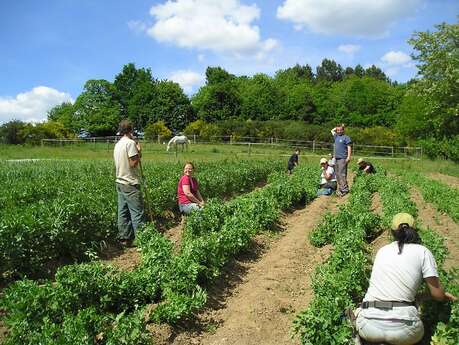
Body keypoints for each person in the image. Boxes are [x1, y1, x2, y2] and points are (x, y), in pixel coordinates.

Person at [355, 213, 457, 345]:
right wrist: (443, 296)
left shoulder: (382, 251)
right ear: (415, 231)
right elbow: (437, 295)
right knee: (423, 334)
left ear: (392, 232)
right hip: (405, 331)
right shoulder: (423, 252)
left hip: (368, 326)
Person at [114, 119, 145, 246]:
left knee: (123, 211)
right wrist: (139, 151)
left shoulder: (118, 144)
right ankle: (143, 240)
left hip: (120, 181)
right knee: (137, 212)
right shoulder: (130, 143)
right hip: (130, 182)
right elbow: (133, 163)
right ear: (131, 130)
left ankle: (124, 238)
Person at [331, 124, 352, 196]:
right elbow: (332, 130)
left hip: (343, 158)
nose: (339, 131)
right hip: (336, 158)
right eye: (338, 130)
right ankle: (341, 188)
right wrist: (338, 127)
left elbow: (349, 147)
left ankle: (345, 190)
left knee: (342, 174)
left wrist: (348, 157)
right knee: (337, 174)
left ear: (343, 130)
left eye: (340, 130)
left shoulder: (346, 138)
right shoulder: (336, 136)